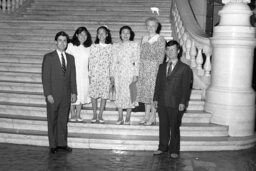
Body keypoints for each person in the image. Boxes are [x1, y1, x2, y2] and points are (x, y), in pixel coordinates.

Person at [153, 40, 193, 159]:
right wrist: (155, 98)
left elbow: (186, 88)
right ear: (165, 51)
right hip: (162, 101)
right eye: (168, 50)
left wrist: (183, 102)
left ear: (178, 51)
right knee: (163, 125)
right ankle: (162, 147)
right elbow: (158, 84)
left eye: (173, 50)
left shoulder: (185, 68)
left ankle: (174, 149)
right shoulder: (161, 66)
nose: (170, 52)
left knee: (174, 126)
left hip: (176, 103)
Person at [42, 31, 77, 154]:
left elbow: (72, 76)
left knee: (63, 120)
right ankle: (53, 145)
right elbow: (45, 77)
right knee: (52, 119)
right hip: (53, 95)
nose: (62, 43)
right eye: (60, 40)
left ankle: (62, 143)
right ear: (56, 42)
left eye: (65, 40)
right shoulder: (49, 57)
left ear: (67, 43)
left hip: (66, 95)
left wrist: (74, 92)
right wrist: (48, 94)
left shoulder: (71, 58)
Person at [137, 17, 166, 126]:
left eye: (153, 26)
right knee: (145, 93)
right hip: (143, 68)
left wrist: (158, 71)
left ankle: (153, 116)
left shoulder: (160, 39)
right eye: (148, 25)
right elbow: (140, 54)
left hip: (154, 68)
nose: (150, 28)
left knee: (153, 94)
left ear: (157, 27)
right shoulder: (143, 38)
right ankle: (146, 115)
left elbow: (161, 56)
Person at [111, 26, 140, 125]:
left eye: (128, 33)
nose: (125, 35)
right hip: (118, 73)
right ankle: (120, 116)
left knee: (130, 94)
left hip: (130, 72)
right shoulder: (115, 45)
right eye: (123, 32)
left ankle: (128, 116)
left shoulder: (135, 45)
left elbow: (137, 60)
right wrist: (112, 74)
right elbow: (113, 61)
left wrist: (136, 74)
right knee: (119, 93)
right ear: (120, 34)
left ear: (130, 34)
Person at [66, 26, 92, 122]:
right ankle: (72, 113)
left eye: (85, 35)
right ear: (76, 35)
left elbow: (90, 63)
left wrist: (90, 74)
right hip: (73, 73)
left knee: (81, 93)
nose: (83, 36)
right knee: (72, 93)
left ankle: (78, 114)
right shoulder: (70, 45)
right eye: (81, 34)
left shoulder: (88, 47)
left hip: (84, 74)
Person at [89, 25, 112, 124]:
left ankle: (100, 114)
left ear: (107, 34)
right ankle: (94, 114)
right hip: (95, 74)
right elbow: (90, 61)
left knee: (104, 95)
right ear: (97, 35)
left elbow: (112, 62)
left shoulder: (111, 47)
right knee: (93, 95)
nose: (101, 35)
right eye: (99, 33)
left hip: (106, 75)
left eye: (103, 33)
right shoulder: (93, 46)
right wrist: (90, 74)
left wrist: (111, 76)